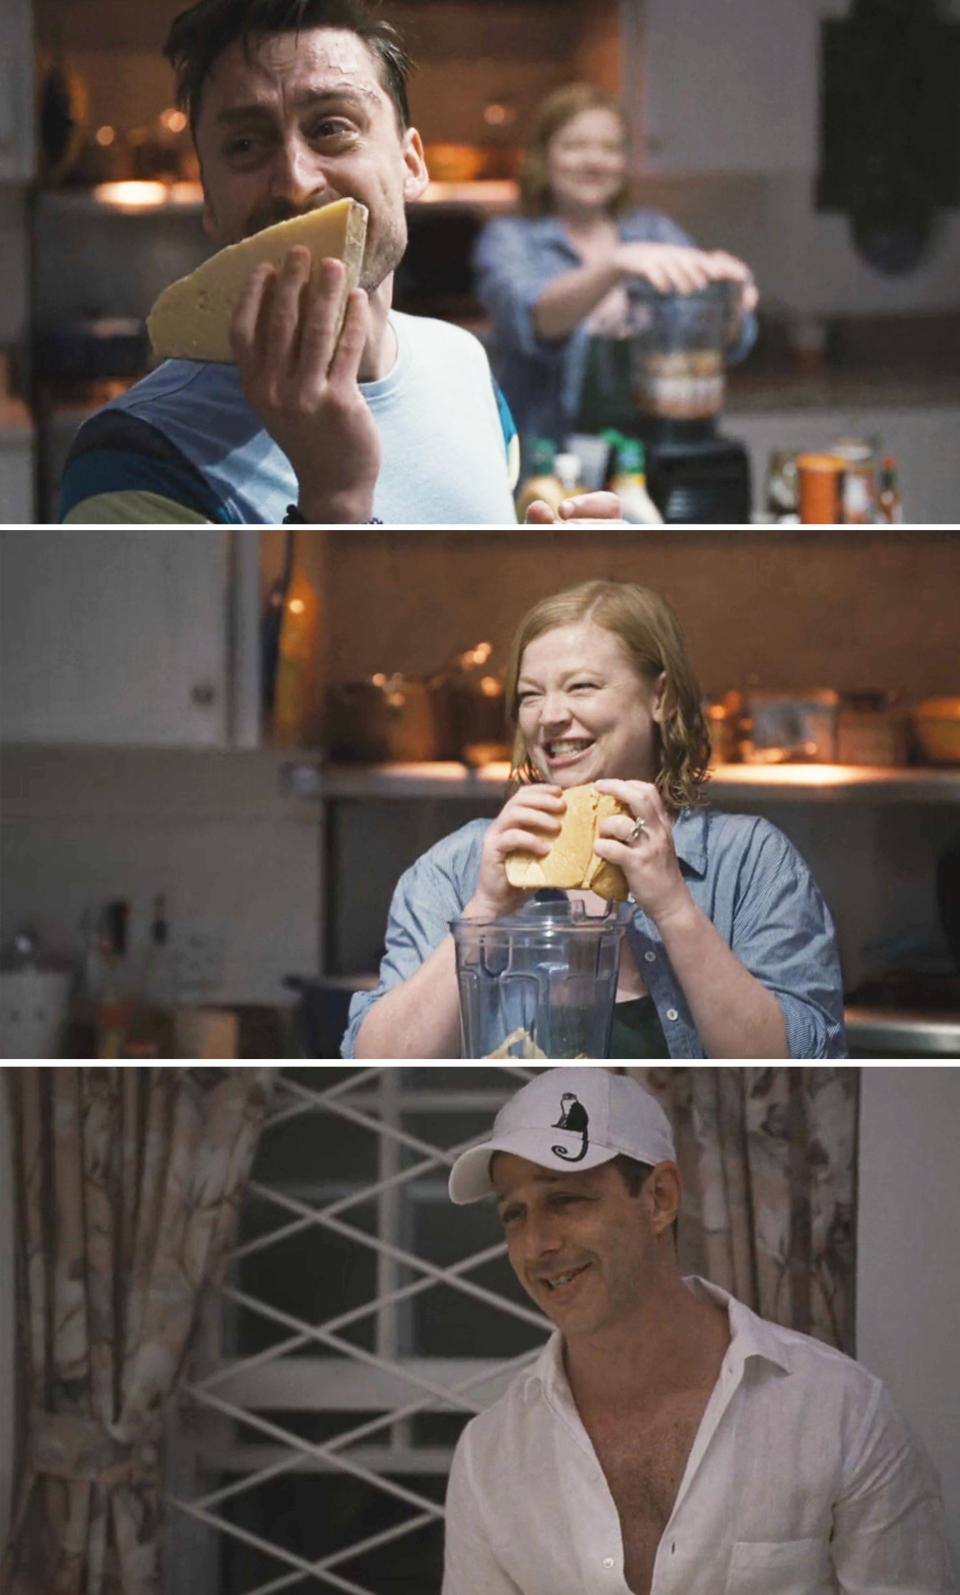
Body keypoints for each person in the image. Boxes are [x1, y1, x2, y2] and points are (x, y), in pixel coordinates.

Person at [57, 0, 623, 528]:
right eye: (246, 145)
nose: (297, 181)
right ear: (210, 202)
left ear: (410, 164)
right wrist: (336, 499)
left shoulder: (466, 367)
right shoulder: (132, 462)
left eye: (331, 127)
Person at [441, 1068, 958, 1595]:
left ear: (660, 1198)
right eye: (514, 1214)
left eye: (566, 1200)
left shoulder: (841, 1412)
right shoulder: (491, 1458)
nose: (536, 1244)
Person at [342, 578, 845, 1059]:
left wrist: (672, 908)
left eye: (581, 687)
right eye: (530, 695)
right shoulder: (457, 867)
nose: (549, 715)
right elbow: (380, 1062)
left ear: (661, 697)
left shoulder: (750, 861)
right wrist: (485, 912)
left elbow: (794, 1064)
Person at [473, 82, 759, 454]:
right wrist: (614, 266)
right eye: (575, 146)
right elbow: (531, 320)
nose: (594, 161)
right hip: (552, 457)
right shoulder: (510, 238)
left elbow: (727, 340)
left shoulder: (653, 231)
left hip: (654, 453)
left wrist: (728, 298)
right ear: (543, 156)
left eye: (610, 148)